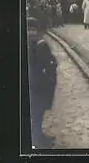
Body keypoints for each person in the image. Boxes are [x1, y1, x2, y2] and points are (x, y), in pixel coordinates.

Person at [27, 16, 57, 149]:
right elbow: (50, 63)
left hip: (31, 83)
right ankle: (36, 138)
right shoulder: (41, 44)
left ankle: (37, 135)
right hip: (40, 83)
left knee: (34, 111)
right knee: (38, 111)